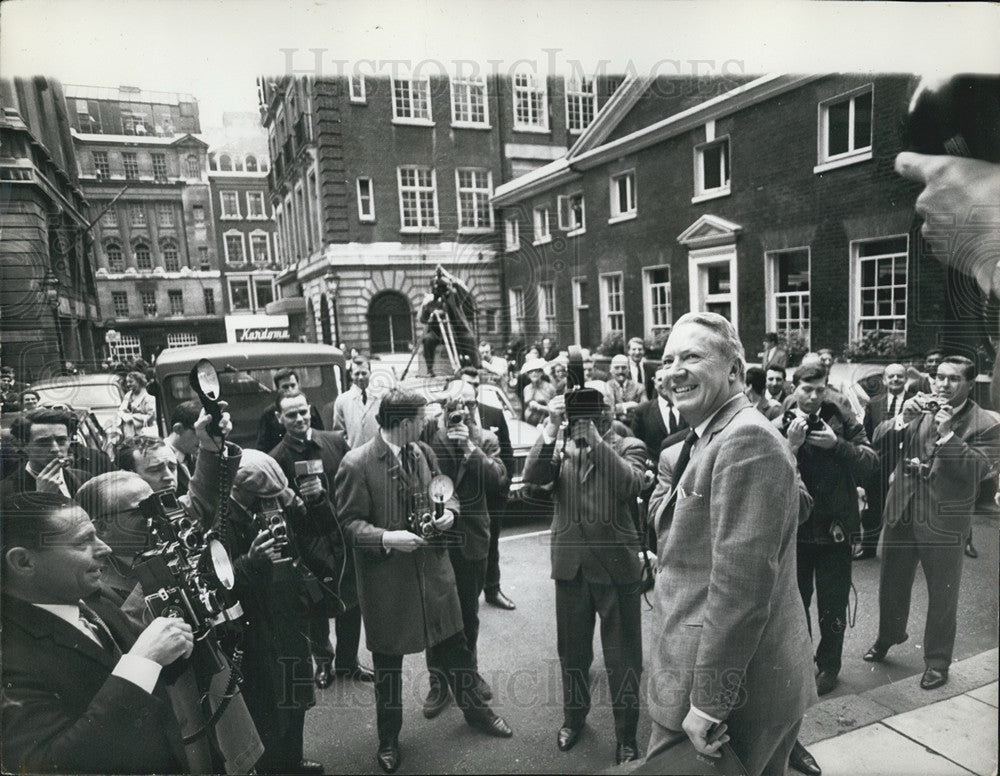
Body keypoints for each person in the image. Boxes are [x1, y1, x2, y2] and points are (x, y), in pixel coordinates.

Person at [645, 312, 815, 776]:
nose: (674, 370)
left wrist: (708, 704)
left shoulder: (747, 440)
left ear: (735, 371)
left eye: (692, 357)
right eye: (667, 360)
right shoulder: (713, 435)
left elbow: (740, 592)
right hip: (710, 675)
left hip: (730, 696)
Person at [334, 389, 513, 773]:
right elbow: (348, 525)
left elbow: (445, 496)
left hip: (433, 575)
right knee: (388, 668)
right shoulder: (357, 464)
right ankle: (388, 739)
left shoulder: (423, 453)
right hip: (389, 583)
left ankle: (477, 714)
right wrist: (386, 538)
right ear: (402, 423)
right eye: (421, 417)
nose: (428, 422)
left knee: (456, 648)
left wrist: (448, 513)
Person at [75, 471, 265, 774]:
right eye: (142, 511)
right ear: (102, 527)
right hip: (180, 719)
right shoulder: (94, 587)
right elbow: (129, 635)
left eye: (158, 506)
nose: (158, 517)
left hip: (218, 699)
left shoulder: (168, 554)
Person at [1, 492, 195, 773]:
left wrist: (176, 649)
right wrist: (143, 661)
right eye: (82, 542)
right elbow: (50, 764)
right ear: (23, 562)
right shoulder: (8, 655)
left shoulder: (93, 598)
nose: (104, 548)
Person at [523, 385, 647, 765]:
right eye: (581, 409)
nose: (587, 416)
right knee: (573, 655)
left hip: (615, 568)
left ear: (608, 411)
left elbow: (630, 484)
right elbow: (532, 480)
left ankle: (626, 735)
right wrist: (551, 427)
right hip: (572, 567)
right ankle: (573, 720)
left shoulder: (630, 445)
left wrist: (595, 440)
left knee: (623, 659)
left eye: (596, 408)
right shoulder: (560, 446)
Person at [864, 356, 1000, 690]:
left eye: (953, 380)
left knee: (943, 593)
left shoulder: (986, 422)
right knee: (891, 582)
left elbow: (980, 472)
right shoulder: (919, 406)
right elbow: (877, 439)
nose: (943, 385)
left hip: (944, 520)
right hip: (903, 508)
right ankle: (889, 635)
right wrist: (900, 419)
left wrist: (947, 435)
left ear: (970, 383)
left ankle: (938, 661)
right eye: (939, 377)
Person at [226, 450, 334, 775]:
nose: (275, 502)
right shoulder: (222, 518)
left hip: (288, 610)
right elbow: (219, 581)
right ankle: (274, 766)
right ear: (244, 490)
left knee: (297, 689)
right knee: (269, 703)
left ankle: (293, 759)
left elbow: (316, 529)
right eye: (267, 496)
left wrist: (315, 501)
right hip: (257, 624)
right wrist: (249, 562)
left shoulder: (268, 501)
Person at [775, 362, 877, 698]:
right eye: (807, 389)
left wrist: (836, 445)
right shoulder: (778, 418)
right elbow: (765, 469)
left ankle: (830, 665)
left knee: (833, 603)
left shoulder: (840, 414)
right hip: (798, 527)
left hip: (835, 526)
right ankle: (803, 661)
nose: (814, 397)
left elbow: (870, 462)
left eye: (820, 389)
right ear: (794, 387)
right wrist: (789, 445)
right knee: (796, 601)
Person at [268, 391, 373, 688]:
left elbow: (353, 486)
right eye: (291, 415)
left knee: (351, 603)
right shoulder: (276, 459)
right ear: (280, 418)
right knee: (315, 607)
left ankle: (348, 662)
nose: (300, 419)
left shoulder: (335, 442)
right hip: (307, 543)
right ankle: (323, 663)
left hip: (342, 537)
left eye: (303, 412)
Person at [423, 381, 508, 716]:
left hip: (472, 538)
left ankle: (469, 673)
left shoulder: (486, 440)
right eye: (454, 406)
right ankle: (437, 681)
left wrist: (472, 451)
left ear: (476, 407)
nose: (462, 412)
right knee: (438, 613)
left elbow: (499, 479)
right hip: (442, 539)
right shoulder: (432, 439)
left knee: (468, 614)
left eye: (469, 405)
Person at [449, 369, 518, 611]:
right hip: (463, 497)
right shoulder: (442, 427)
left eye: (475, 388)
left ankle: (493, 588)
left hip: (491, 494)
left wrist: (505, 486)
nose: (468, 407)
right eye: (468, 384)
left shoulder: (493, 414)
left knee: (492, 543)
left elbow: (506, 455)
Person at [115, 407, 237, 527]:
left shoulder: (170, 511)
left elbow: (201, 505)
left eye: (173, 468)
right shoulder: (120, 523)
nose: (169, 476)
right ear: (128, 476)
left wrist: (211, 445)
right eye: (155, 470)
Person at [856, 363, 908, 560]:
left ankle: (900, 554)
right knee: (873, 509)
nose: (895, 380)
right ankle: (868, 549)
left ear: (906, 379)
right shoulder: (875, 403)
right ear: (885, 380)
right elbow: (866, 434)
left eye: (900, 376)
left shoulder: (915, 402)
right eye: (891, 376)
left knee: (902, 510)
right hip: (879, 464)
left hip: (904, 463)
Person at [2, 407, 91, 498]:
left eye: (61, 440)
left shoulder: (84, 478)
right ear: (22, 445)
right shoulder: (5, 492)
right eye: (43, 442)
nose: (55, 449)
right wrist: (43, 497)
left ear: (69, 440)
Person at [256, 368, 323, 453]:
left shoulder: (310, 408)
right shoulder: (269, 413)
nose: (290, 389)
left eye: (293, 385)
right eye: (285, 387)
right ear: (278, 389)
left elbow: (320, 434)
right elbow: (263, 446)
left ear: (298, 385)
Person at [632, 366, 691, 457]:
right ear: (654, 383)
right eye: (660, 380)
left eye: (668, 379)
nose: (664, 383)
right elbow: (636, 443)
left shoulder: (689, 407)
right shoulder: (643, 411)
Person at [323, 356, 380, 448]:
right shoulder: (342, 400)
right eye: (357, 374)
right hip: (353, 455)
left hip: (377, 455)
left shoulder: (380, 398)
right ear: (351, 375)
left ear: (370, 373)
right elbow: (339, 433)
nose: (361, 377)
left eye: (364, 373)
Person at [163, 399, 202, 494]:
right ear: (178, 429)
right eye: (199, 433)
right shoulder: (160, 461)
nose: (205, 439)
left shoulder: (194, 456)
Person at [115, 371, 157, 441]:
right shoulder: (128, 395)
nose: (128, 384)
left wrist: (132, 417)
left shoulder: (149, 396)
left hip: (145, 434)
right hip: (129, 435)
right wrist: (124, 413)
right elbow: (121, 410)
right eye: (127, 382)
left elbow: (151, 416)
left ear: (139, 381)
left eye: (131, 382)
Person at [607, 354, 644, 423]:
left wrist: (618, 408)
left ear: (628, 369)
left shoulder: (639, 387)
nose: (620, 371)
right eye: (617, 368)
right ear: (611, 370)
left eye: (623, 368)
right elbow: (610, 410)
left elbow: (645, 409)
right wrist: (630, 405)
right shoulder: (606, 386)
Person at [522, 357, 555, 425]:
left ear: (542, 373)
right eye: (531, 371)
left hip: (545, 423)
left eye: (537, 371)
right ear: (527, 375)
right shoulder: (526, 389)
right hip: (529, 424)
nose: (534, 373)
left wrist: (539, 407)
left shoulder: (549, 387)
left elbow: (555, 410)